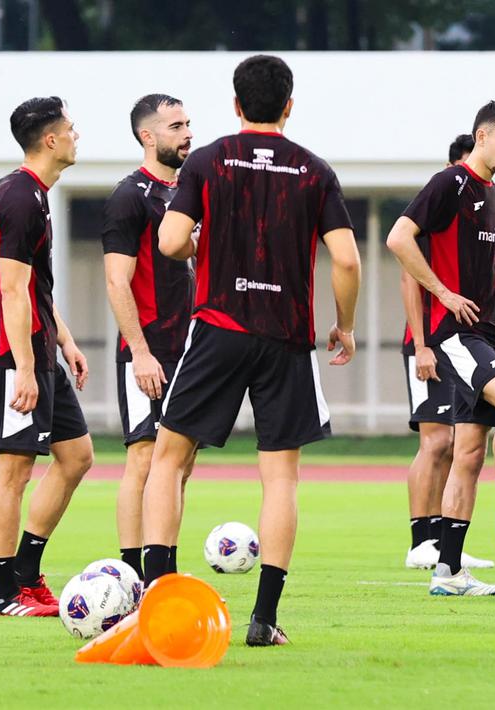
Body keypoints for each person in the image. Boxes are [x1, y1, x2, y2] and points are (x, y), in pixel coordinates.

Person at [143, 55, 361, 647]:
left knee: (167, 458)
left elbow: (167, 242)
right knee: (280, 478)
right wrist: (344, 325)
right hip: (287, 338)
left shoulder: (209, 159)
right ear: (289, 105)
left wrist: (200, 242)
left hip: (217, 327)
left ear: (236, 105)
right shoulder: (315, 171)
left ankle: (157, 602)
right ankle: (264, 619)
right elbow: (345, 259)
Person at [387, 101, 495, 597]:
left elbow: (479, 266)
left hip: (491, 329)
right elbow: (398, 239)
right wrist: (442, 292)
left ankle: (449, 573)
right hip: (457, 334)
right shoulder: (450, 184)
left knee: (470, 453)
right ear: (481, 136)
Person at [0, 96, 93, 617]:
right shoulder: (21, 197)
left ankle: (26, 572)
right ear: (50, 139)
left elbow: (34, 286)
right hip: (11, 353)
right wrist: (24, 367)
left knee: (77, 456)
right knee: (14, 470)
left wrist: (64, 339)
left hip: (40, 348)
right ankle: (4, 595)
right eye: (70, 128)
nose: (76, 135)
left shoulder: (30, 193)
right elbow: (12, 290)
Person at [101, 94, 195, 579]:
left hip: (191, 348)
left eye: (188, 124)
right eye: (176, 126)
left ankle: (166, 569)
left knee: (180, 462)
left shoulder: (189, 194)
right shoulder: (129, 196)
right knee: (144, 455)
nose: (187, 134)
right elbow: (117, 281)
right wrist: (139, 353)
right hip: (148, 350)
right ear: (148, 136)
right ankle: (130, 573)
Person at [402, 133, 493, 571]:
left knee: (459, 440)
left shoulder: (479, 203)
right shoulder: (440, 197)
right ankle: (421, 539)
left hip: (457, 337)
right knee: (435, 440)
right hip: (429, 339)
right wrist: (420, 346)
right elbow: (407, 278)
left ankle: (444, 540)